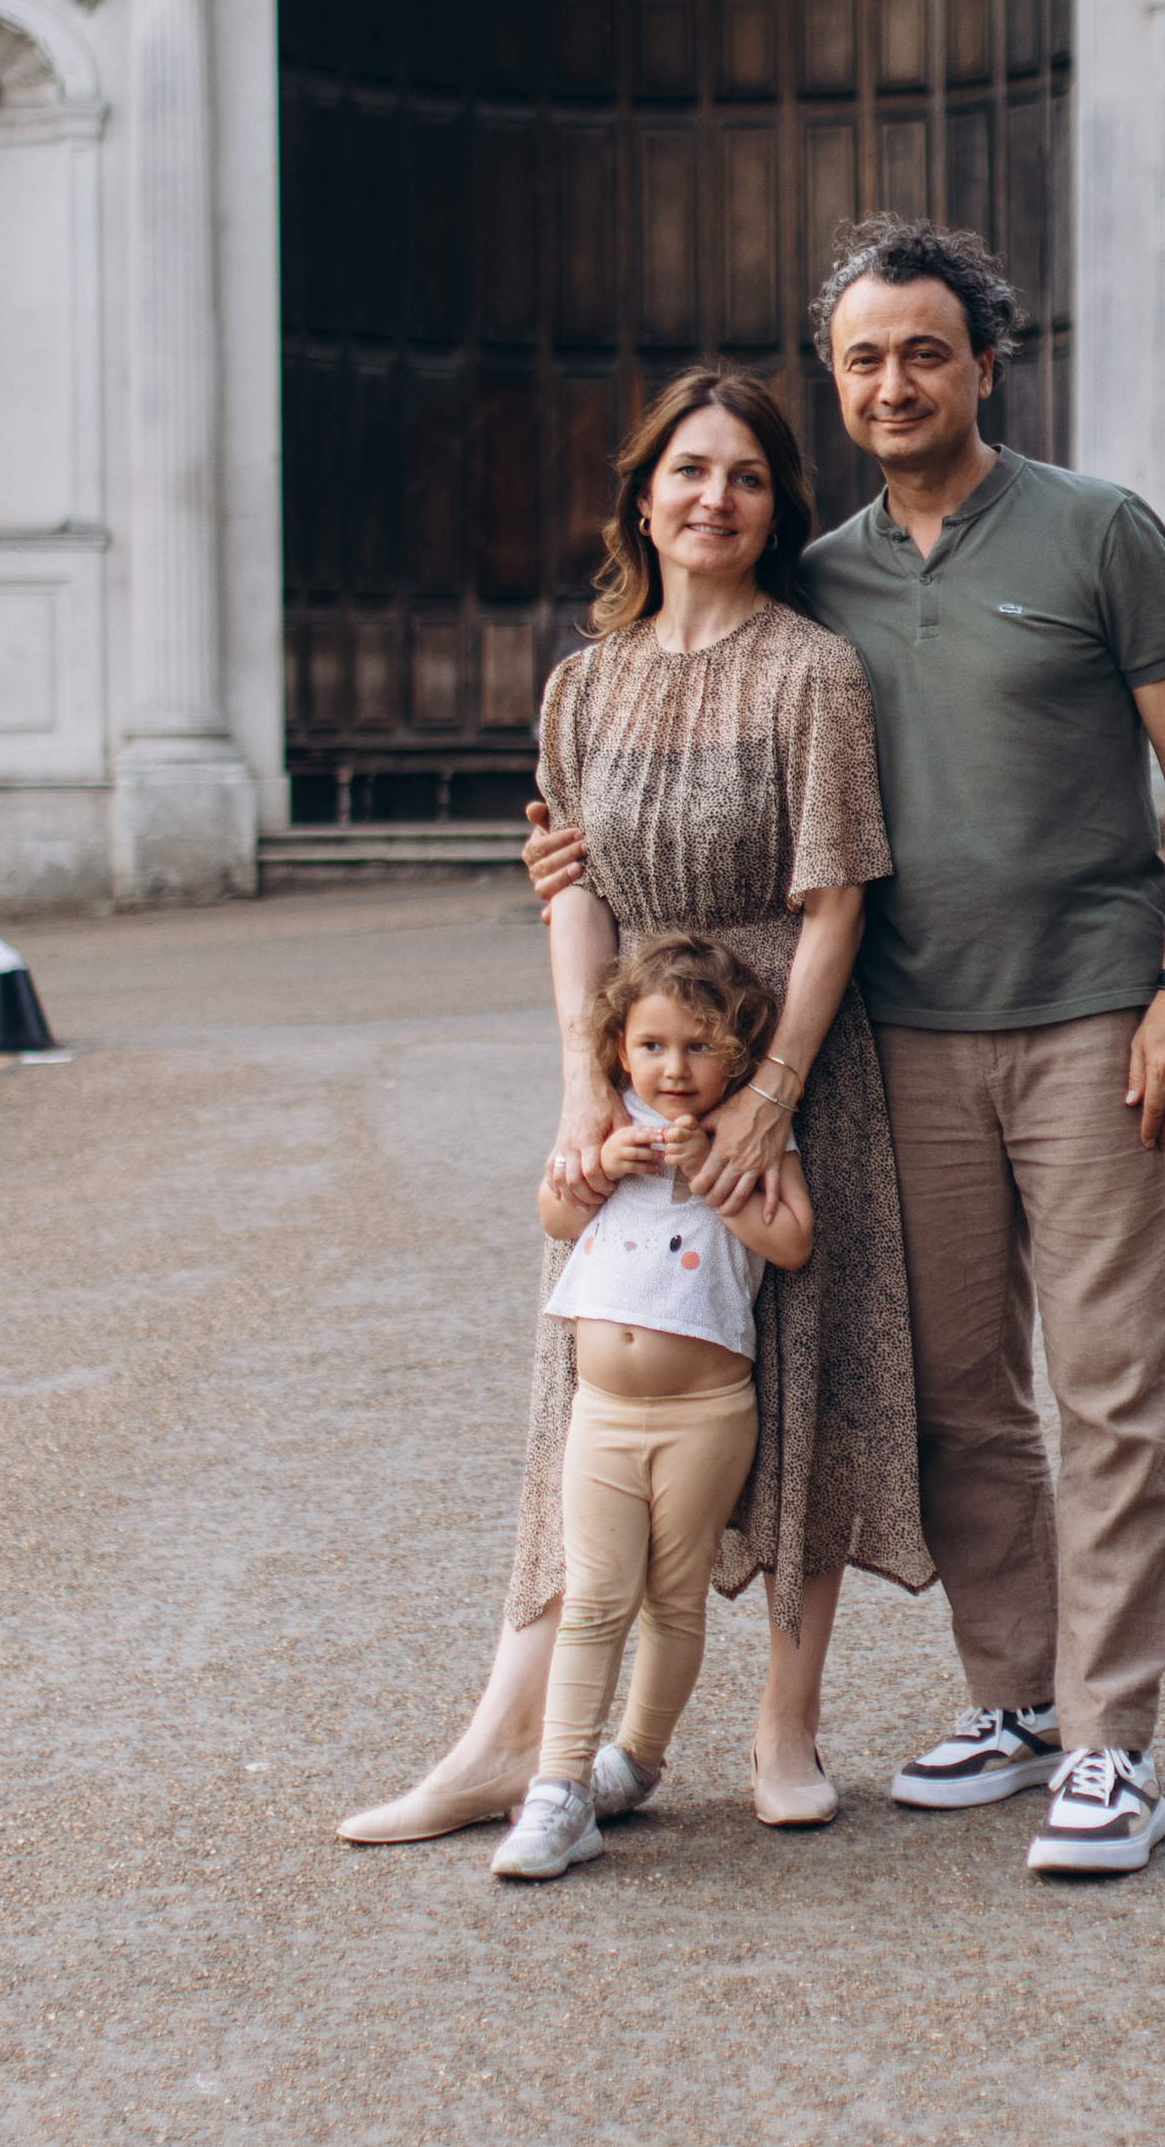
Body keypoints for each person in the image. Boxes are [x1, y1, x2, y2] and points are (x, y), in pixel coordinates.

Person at [525, 218, 1165, 1879]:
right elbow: (692, 711)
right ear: (834, 382)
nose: (894, 381)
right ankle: (1018, 1697)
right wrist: (570, 854)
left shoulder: (1096, 530)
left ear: (987, 359)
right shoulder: (820, 575)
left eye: (926, 351)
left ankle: (1117, 1745)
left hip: (1090, 1014)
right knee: (960, 1393)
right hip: (905, 1037)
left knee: (1114, 1382)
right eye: (862, 358)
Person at [338, 370, 931, 1847]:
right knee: (582, 1392)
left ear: (775, 505)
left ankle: (784, 1732)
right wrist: (582, 1092)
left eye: (742, 475)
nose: (712, 497)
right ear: (643, 494)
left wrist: (775, 1098)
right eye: (687, 470)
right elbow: (573, 896)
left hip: (788, 1067)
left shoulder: (814, 672)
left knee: (806, 1379)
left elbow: (836, 896)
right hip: (636, 1071)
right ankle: (505, 1739)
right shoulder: (583, 683)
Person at [493, 934, 816, 1882]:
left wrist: (712, 1174)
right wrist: (602, 1166)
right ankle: (559, 1790)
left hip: (709, 1414)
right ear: (620, 1050)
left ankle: (634, 1760)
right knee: (595, 1597)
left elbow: (791, 1241)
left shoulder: (755, 1139)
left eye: (700, 1048)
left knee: (673, 1600)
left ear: (740, 1056)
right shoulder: (608, 1123)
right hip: (601, 1411)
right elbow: (554, 1218)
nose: (673, 1070)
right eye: (653, 1047)